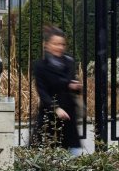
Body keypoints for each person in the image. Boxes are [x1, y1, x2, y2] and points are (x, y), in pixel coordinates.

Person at [32, 26, 82, 156]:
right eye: (55, 44)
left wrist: (75, 87)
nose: (59, 47)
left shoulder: (69, 62)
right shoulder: (40, 66)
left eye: (62, 44)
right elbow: (42, 92)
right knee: (43, 154)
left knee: (73, 155)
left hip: (68, 115)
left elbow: (72, 85)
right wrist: (56, 109)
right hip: (49, 115)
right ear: (47, 45)